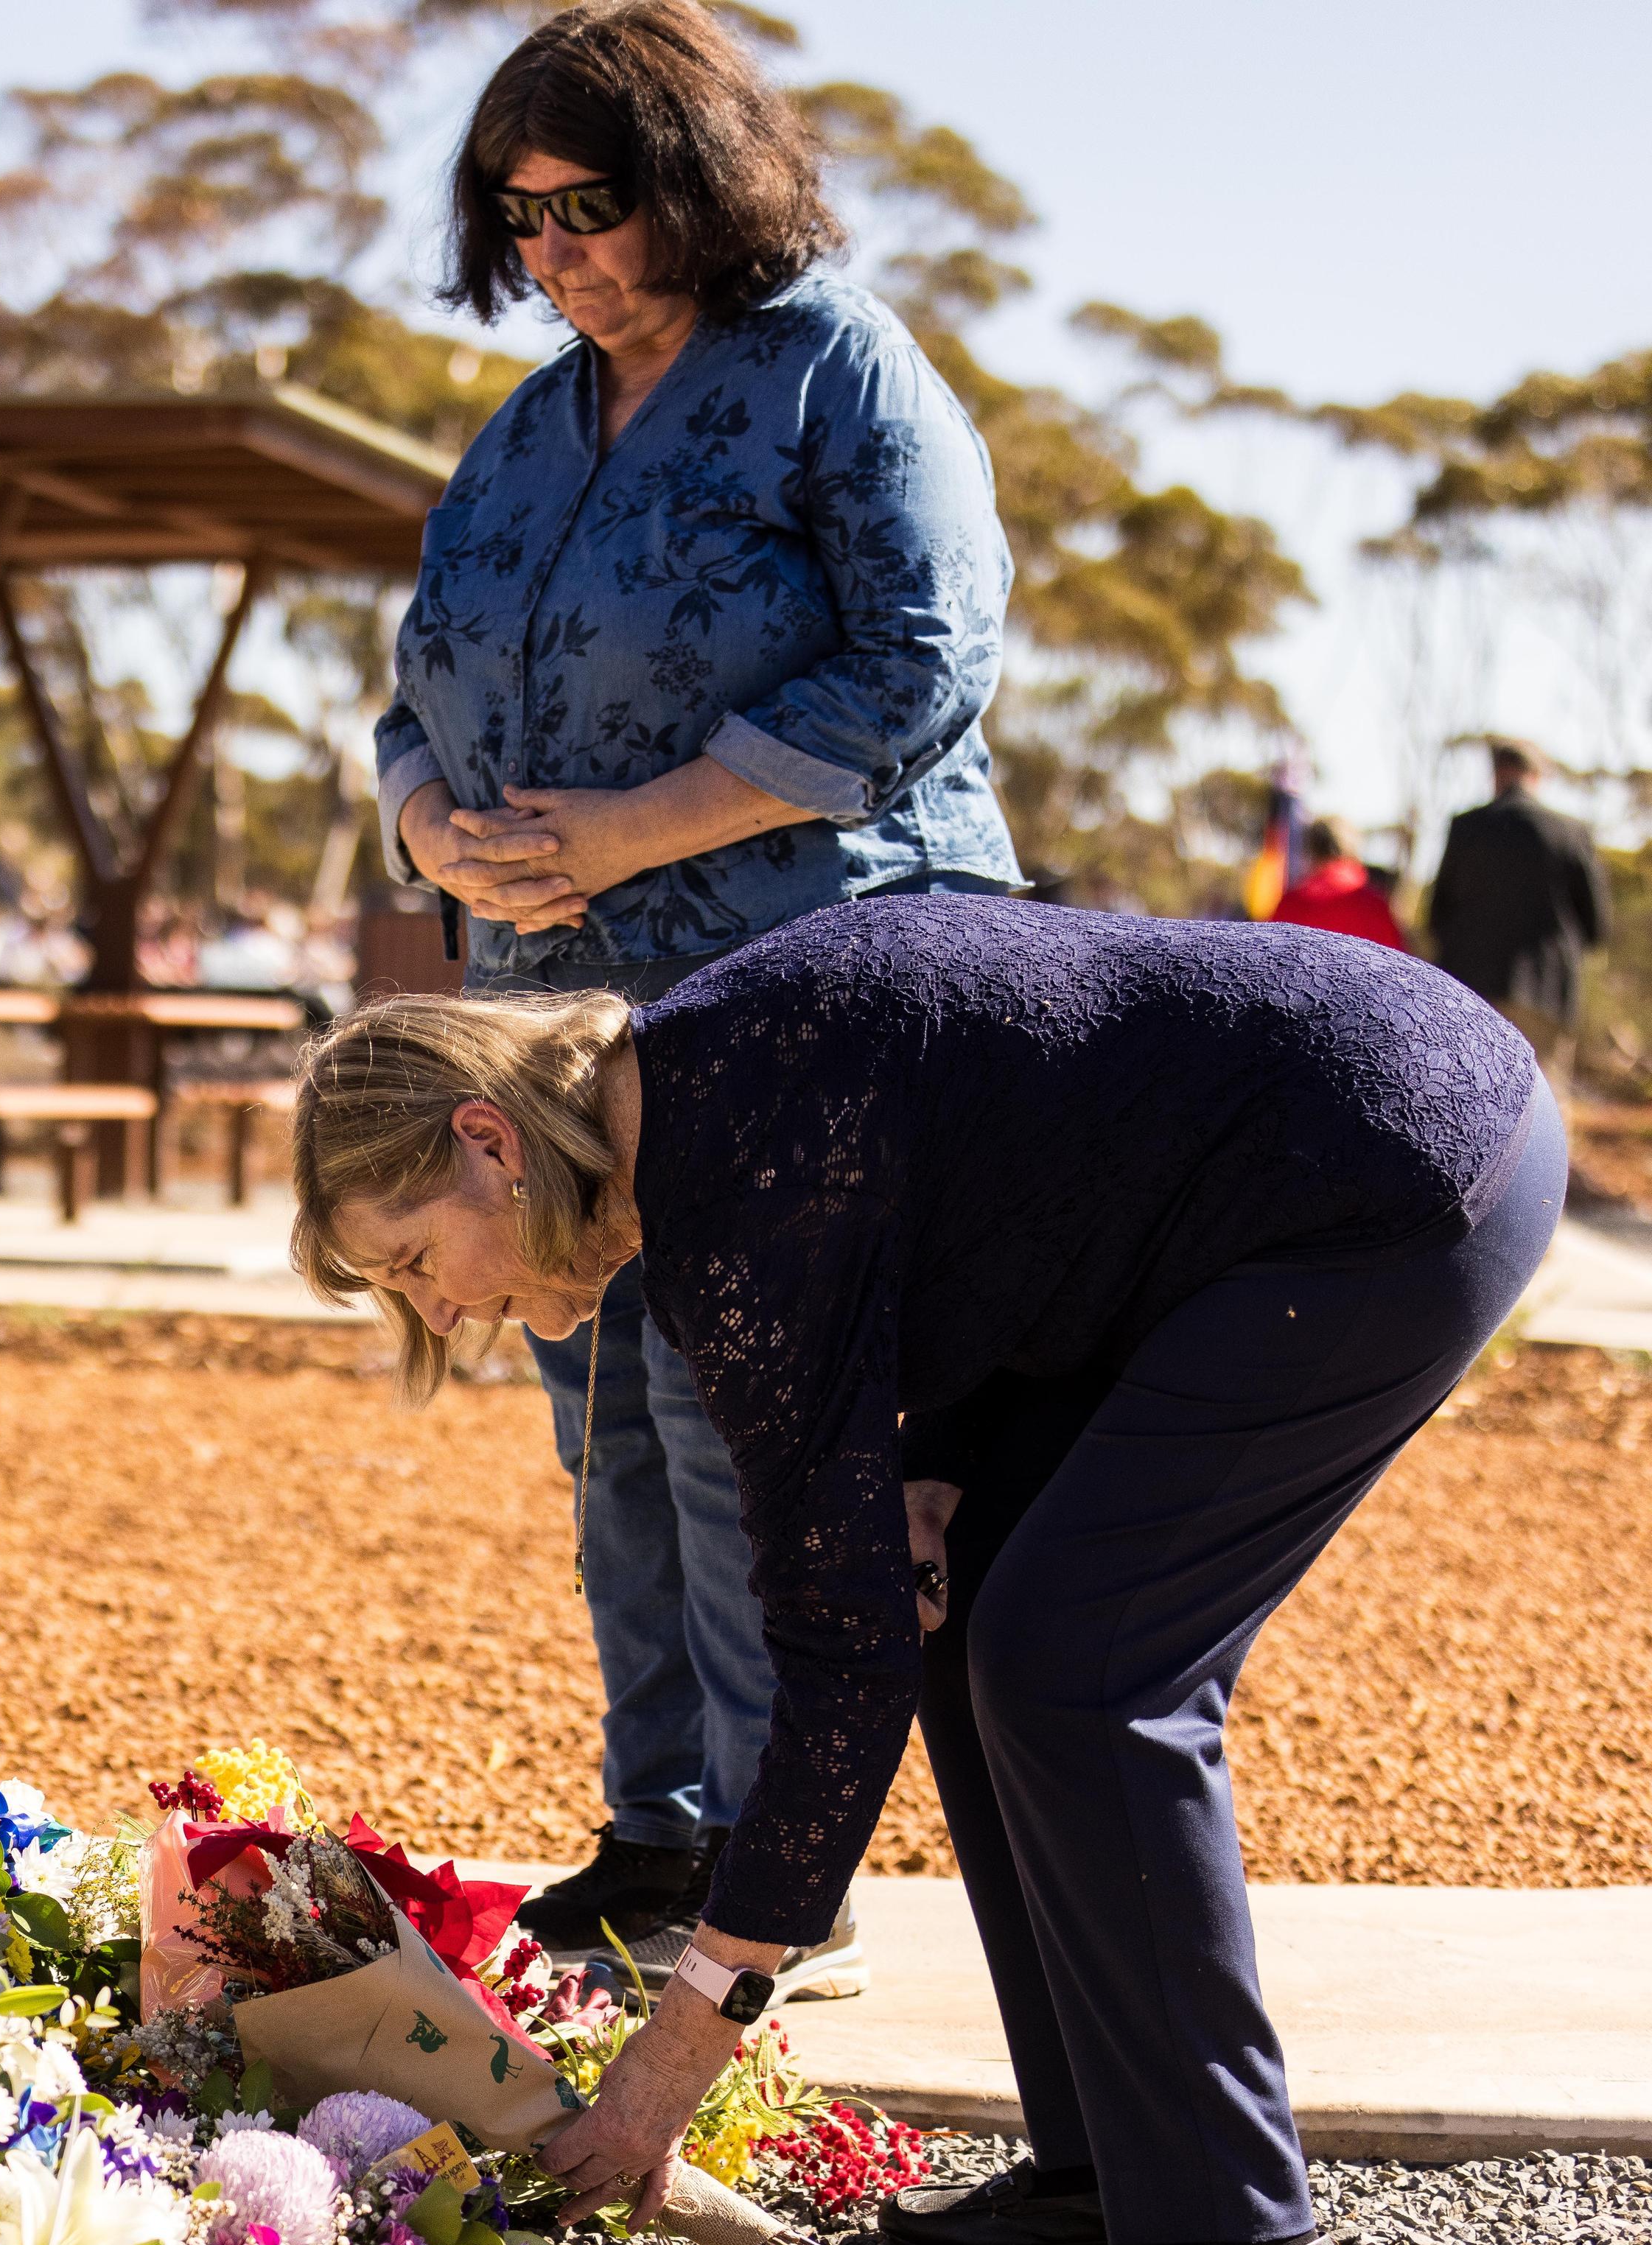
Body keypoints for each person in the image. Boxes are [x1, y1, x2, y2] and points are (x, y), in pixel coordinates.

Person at [290, 894, 1560, 2245]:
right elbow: (989, 1183)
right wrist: (936, 1466)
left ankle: (1237, 2236)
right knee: (974, 1622)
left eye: (409, 1261)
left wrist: (670, 2061)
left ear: (486, 1141)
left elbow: (834, 1669)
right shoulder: (698, 1109)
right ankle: (1110, 2166)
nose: (444, 1317)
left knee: (1080, 1667)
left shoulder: (735, 1190)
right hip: (1243, 1192)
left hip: (1389, 1166)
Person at [372, 0, 1021, 1983]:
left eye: (593, 206)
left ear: (702, 181)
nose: (557, 252)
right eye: (522, 217)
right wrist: (432, 829)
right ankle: (657, 1833)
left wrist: (638, 824)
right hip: (553, 1015)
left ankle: (773, 1867)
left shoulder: (841, 369)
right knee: (607, 1420)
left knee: (735, 1408)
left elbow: (926, 663)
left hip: (797, 994)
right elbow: (414, 685)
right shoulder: (524, 420)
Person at [1427, 738, 1608, 1089]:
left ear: (1496, 775)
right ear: (1537, 776)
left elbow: (1437, 916)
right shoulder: (1571, 833)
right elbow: (1596, 926)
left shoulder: (1466, 828)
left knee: (1466, 1098)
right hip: (1547, 990)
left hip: (1469, 991)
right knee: (1544, 1103)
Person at [1265, 821, 1406, 948]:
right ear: (1354, 851)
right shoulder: (1375, 906)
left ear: (1312, 851)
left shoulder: (1290, 903)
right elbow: (1398, 967)